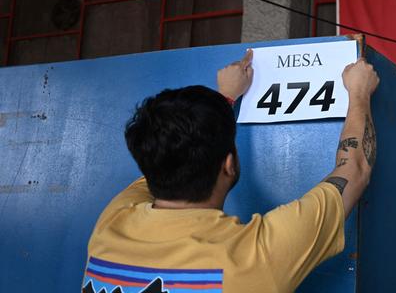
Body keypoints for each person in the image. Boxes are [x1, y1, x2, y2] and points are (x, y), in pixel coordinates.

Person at [81, 49, 379, 293]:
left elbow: (170, 153)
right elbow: (354, 169)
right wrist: (359, 92)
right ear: (229, 164)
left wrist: (224, 100)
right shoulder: (254, 257)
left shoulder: (111, 224)